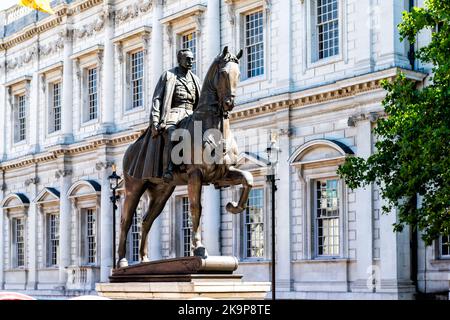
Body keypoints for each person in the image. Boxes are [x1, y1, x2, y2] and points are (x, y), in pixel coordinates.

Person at [150, 49, 201, 182]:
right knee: (173, 134)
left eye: (192, 59)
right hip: (174, 113)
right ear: (180, 60)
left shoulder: (195, 79)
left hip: (191, 113)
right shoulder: (169, 75)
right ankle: (169, 169)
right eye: (188, 59)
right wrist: (155, 121)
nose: (191, 61)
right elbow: (157, 98)